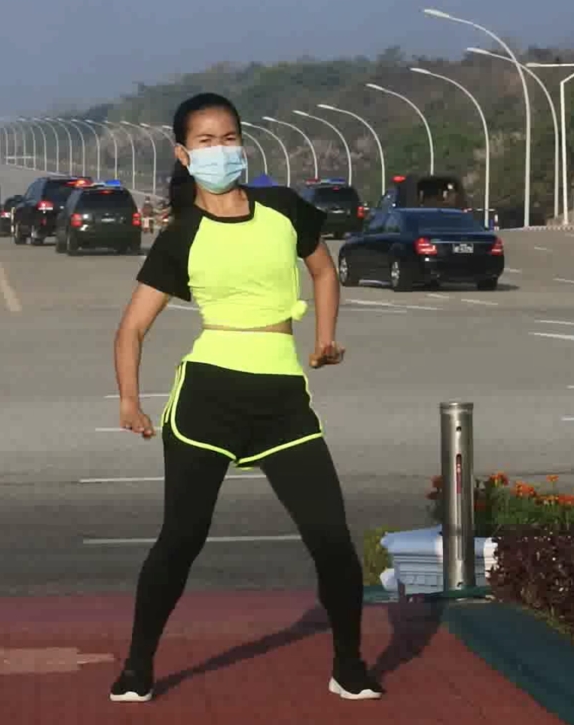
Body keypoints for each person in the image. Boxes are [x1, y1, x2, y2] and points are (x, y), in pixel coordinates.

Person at [108, 92, 383, 705]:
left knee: (332, 540)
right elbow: (131, 329)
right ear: (184, 154)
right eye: (205, 141)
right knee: (181, 540)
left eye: (229, 137)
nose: (220, 149)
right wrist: (129, 402)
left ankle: (348, 664)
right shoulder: (182, 235)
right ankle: (137, 666)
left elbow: (324, 271)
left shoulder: (283, 209)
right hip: (208, 399)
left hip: (283, 399)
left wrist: (327, 338)